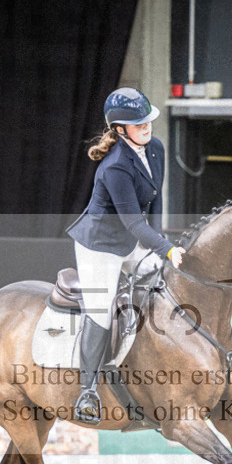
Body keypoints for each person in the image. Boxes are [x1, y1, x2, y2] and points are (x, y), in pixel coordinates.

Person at [66, 87, 186, 425]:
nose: (146, 127)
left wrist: (161, 241)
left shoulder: (157, 149)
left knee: (165, 282)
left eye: (147, 120)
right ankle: (87, 392)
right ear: (120, 129)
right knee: (101, 312)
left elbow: (156, 201)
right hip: (100, 246)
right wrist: (167, 248)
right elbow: (133, 222)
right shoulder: (115, 166)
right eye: (138, 124)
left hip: (133, 241)